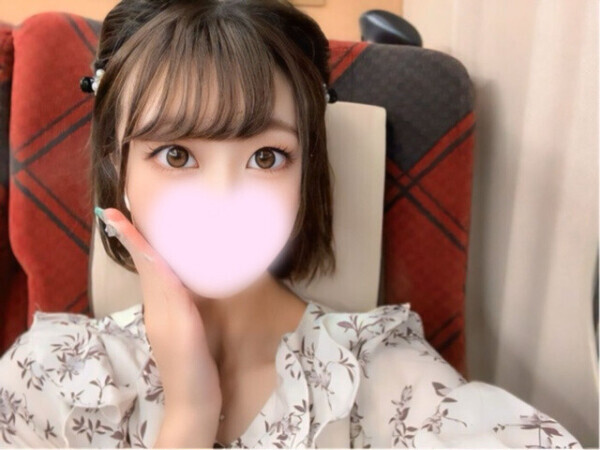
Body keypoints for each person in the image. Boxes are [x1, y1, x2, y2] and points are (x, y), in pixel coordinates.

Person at [0, 0, 583, 448]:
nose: (223, 203)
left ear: (306, 173)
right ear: (117, 166)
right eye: (176, 155)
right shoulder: (49, 376)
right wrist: (190, 416)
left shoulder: (378, 375)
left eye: (266, 157)